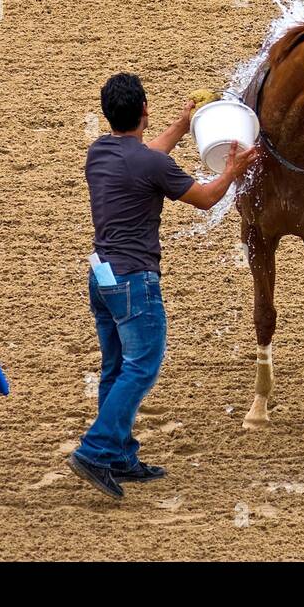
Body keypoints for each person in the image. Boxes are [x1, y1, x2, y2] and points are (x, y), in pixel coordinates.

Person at [68, 73, 256, 499]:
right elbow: (207, 197)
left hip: (102, 279)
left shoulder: (98, 152)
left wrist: (183, 123)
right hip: (135, 282)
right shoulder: (151, 164)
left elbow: (146, 157)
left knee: (116, 368)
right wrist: (232, 170)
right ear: (144, 110)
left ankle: (118, 454)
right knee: (141, 367)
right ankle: (95, 449)